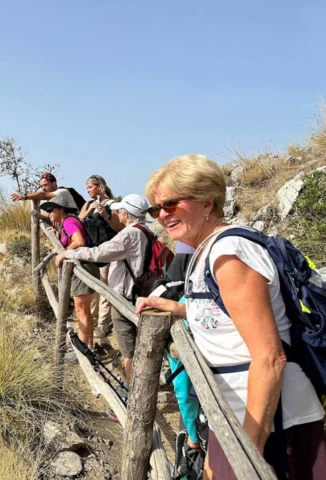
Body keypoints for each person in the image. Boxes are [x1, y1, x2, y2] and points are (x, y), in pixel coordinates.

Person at [137, 154, 326, 479]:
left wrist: (247, 449)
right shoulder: (209, 250)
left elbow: (270, 358)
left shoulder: (229, 254)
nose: (162, 215)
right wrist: (179, 308)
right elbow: (226, 312)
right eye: (156, 209)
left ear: (207, 203)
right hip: (239, 413)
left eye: (170, 204)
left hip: (272, 419)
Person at [56, 194, 151, 383]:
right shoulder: (145, 230)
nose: (116, 214)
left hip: (125, 294)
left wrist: (70, 252)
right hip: (138, 291)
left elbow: (100, 253)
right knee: (135, 343)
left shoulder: (129, 234)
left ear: (126, 213)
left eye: (119, 211)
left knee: (128, 349)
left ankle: (131, 391)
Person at [39, 196, 99, 349]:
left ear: (61, 209)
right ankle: (89, 346)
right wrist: (59, 235)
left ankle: (83, 347)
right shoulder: (67, 223)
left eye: (51, 209)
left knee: (81, 311)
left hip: (83, 268)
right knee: (84, 310)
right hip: (88, 267)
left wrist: (63, 254)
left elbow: (79, 241)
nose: (49, 213)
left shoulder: (69, 222)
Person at [78, 175, 126, 340]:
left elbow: (121, 228)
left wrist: (105, 215)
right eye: (87, 188)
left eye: (90, 187)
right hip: (91, 252)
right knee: (92, 289)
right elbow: (79, 221)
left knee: (105, 289)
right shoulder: (87, 204)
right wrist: (91, 209)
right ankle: (91, 321)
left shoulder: (112, 205)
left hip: (107, 253)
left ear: (100, 187)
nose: (88, 190)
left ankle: (102, 325)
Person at [10, 172, 85, 211]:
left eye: (45, 185)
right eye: (41, 186)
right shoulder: (53, 197)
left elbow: (43, 195)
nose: (43, 188)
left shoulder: (63, 192)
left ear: (54, 184)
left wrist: (24, 196)